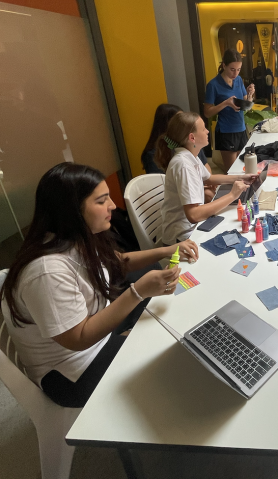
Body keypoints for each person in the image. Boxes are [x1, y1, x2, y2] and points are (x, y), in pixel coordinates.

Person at [0, 163, 199, 408]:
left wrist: (168, 249)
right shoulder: (46, 272)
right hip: (73, 372)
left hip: (96, 336)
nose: (113, 206)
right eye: (101, 200)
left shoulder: (77, 236)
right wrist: (137, 293)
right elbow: (79, 338)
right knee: (169, 354)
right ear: (72, 210)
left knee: (154, 280)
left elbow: (118, 262)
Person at [157, 111, 256, 244]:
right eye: (203, 129)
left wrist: (241, 177)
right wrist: (232, 195)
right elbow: (194, 215)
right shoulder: (183, 165)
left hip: (192, 228)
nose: (208, 131)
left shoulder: (190, 156)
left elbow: (208, 178)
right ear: (192, 138)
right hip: (182, 238)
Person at [141, 103, 215, 203]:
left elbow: (205, 168)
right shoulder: (156, 155)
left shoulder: (190, 144)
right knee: (209, 195)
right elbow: (161, 186)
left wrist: (207, 183)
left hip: (196, 188)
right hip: (180, 196)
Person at [204, 49, 255, 172]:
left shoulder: (238, 80)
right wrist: (225, 103)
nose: (235, 73)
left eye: (238, 69)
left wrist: (250, 95)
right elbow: (207, 112)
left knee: (245, 169)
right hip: (226, 131)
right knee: (232, 172)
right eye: (232, 69)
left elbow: (245, 104)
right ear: (224, 65)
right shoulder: (213, 85)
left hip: (241, 129)